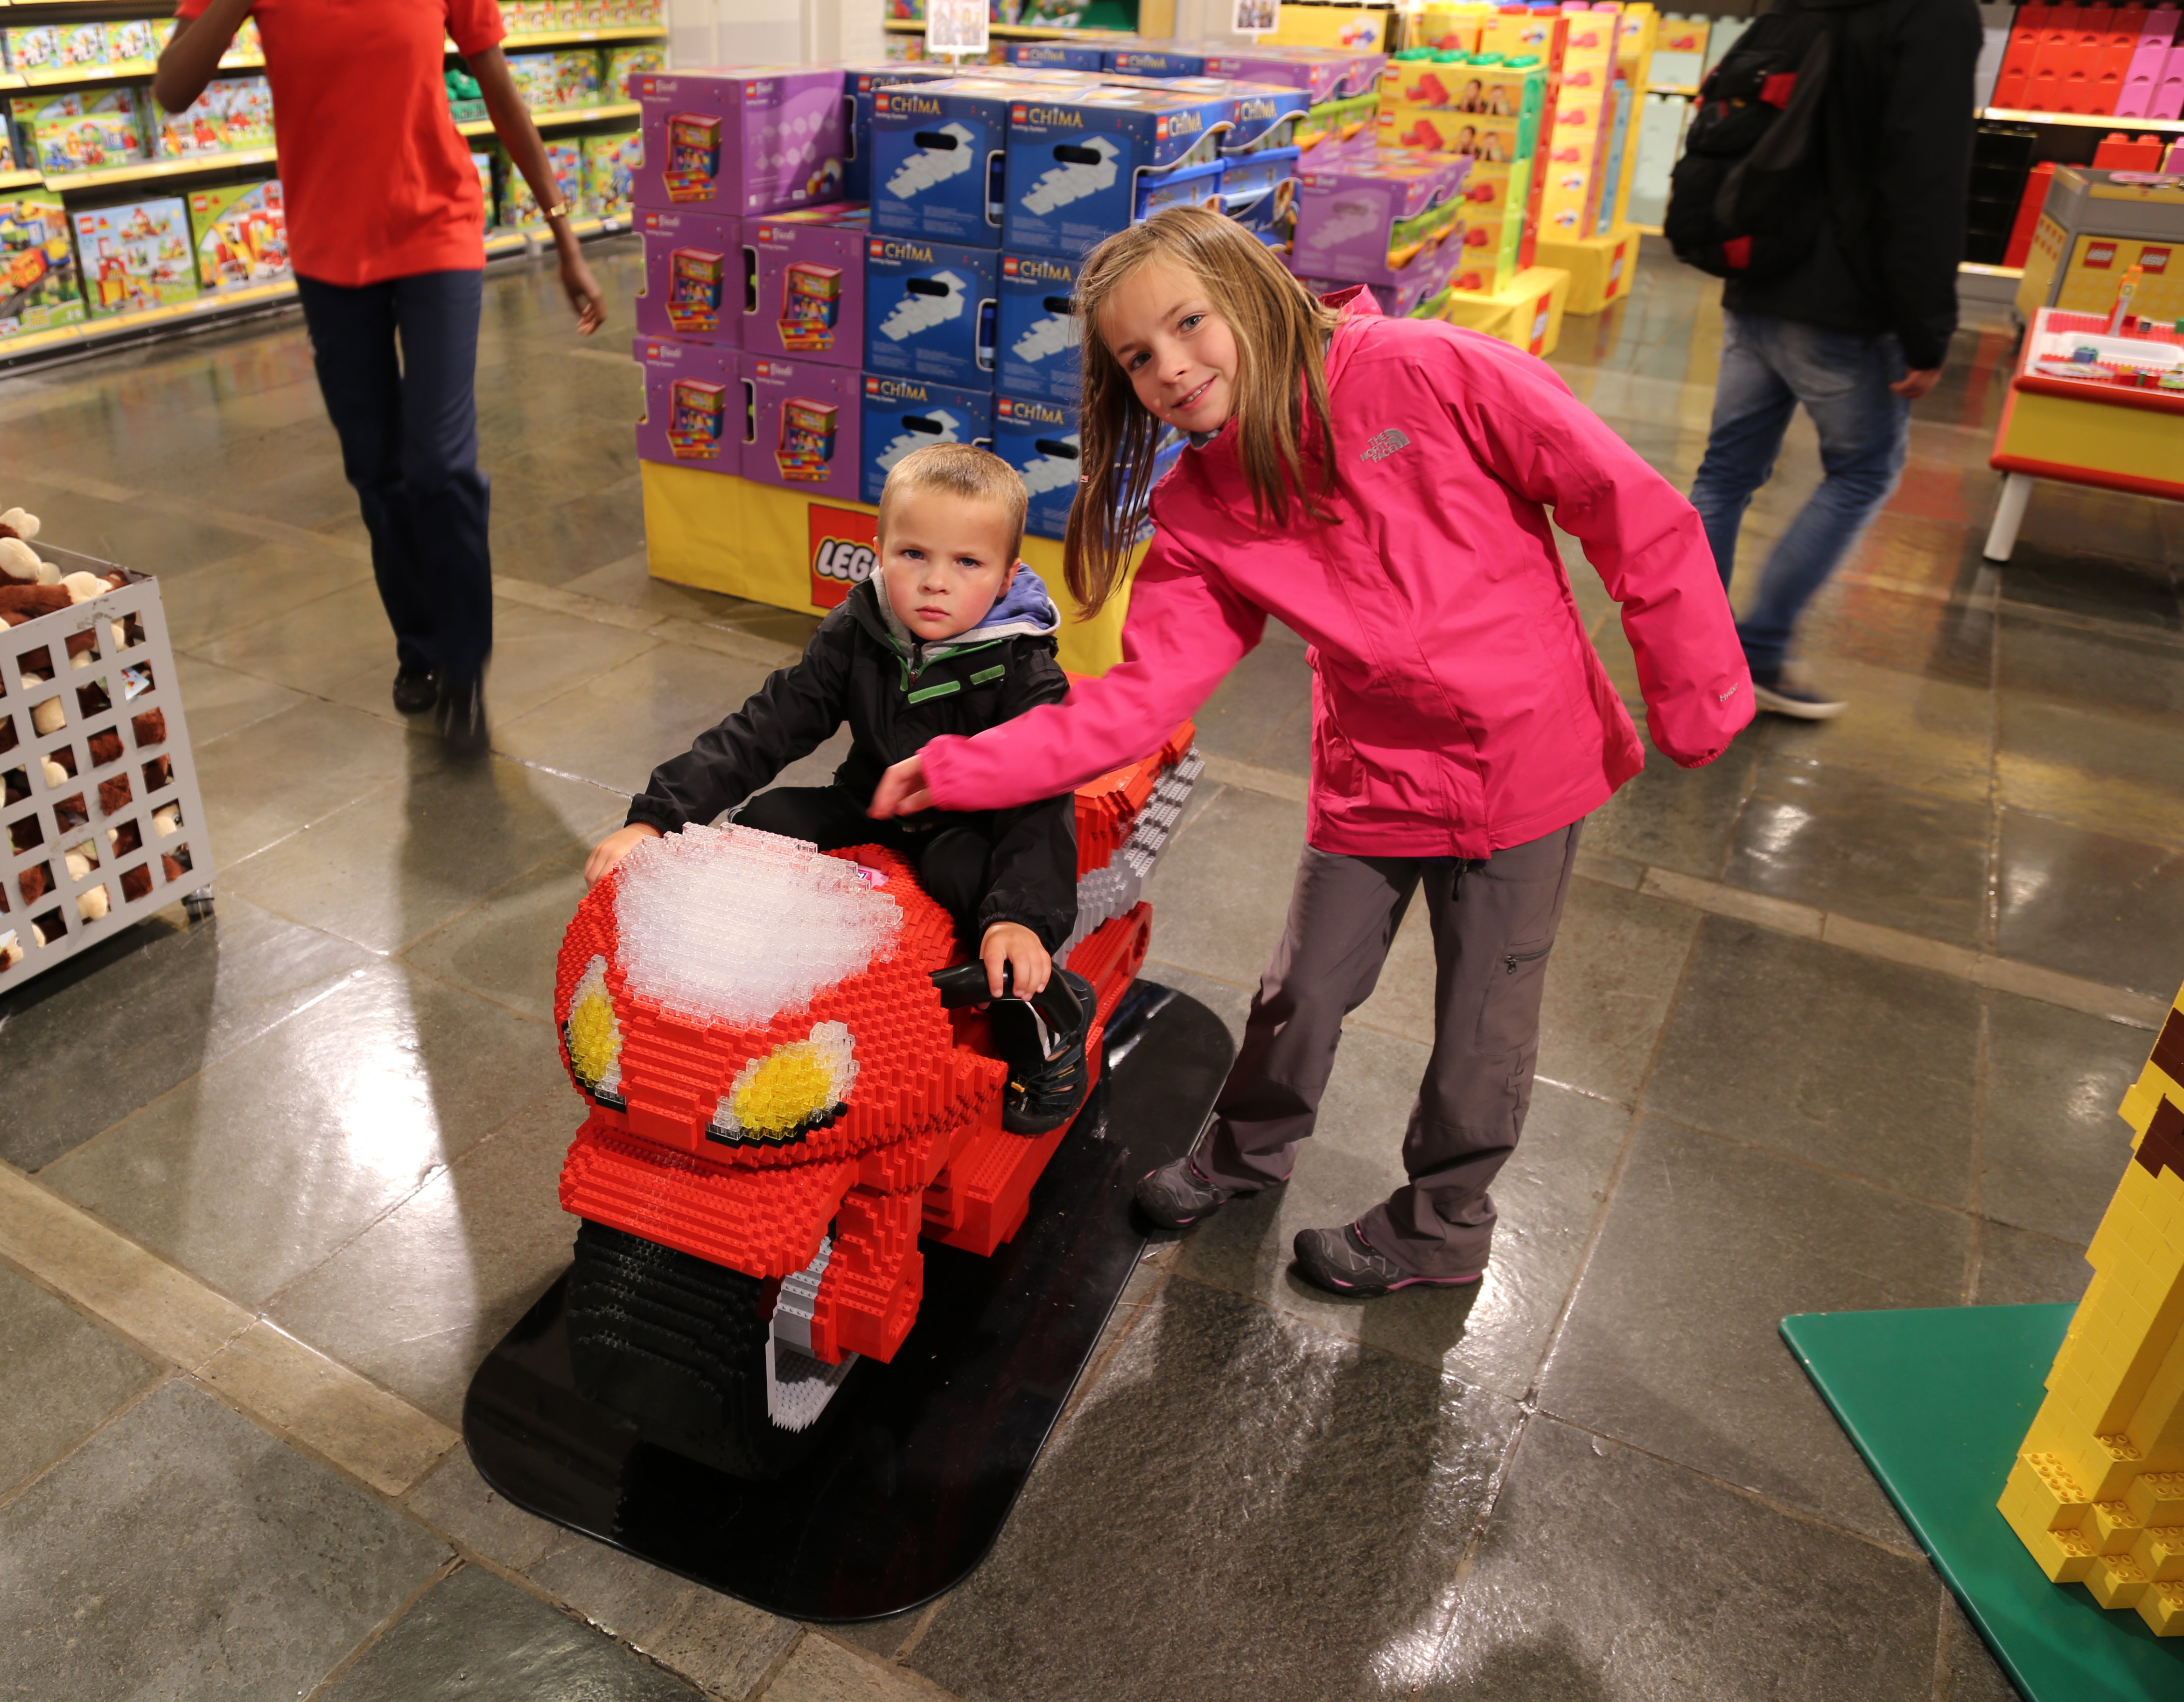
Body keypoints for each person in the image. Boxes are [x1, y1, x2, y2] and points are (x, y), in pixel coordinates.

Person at [869, 209, 1753, 1296]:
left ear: (1248, 291)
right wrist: (964, 767)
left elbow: (1629, 506)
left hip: (1527, 770)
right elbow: (1145, 691)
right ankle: (1244, 1154)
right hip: (1374, 779)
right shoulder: (1197, 508)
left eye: (1190, 324)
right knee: (1300, 992)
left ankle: (1443, 1226)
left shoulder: (1429, 369)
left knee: (1485, 1020)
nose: (1173, 369)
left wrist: (1696, 687)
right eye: (1138, 358)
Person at [582, 443, 1095, 1134]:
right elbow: (765, 728)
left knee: (980, 900)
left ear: (1008, 578)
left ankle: (1042, 1036)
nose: (935, 582)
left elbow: (1041, 806)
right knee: (767, 820)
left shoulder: (1026, 673)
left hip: (973, 824)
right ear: (878, 550)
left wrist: (1020, 921)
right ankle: (732, 995)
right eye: (914, 554)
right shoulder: (860, 630)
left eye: (967, 563)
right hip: (872, 802)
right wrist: (655, 819)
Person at [155, 0, 606, 756]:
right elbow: (172, 88)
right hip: (327, 249)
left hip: (438, 229)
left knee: (441, 464)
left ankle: (466, 660)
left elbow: (498, 89)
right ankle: (419, 645)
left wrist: (564, 235)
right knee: (376, 470)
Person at [1683, 0, 1981, 720]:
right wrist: (1928, 329)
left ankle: (1694, 657)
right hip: (1841, 302)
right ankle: (1757, 653)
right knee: (1863, 471)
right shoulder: (1933, 17)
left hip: (1758, 275)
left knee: (1725, 474)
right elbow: (1926, 178)